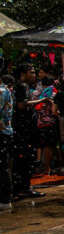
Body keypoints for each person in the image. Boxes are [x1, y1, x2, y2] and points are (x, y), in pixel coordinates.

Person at [11, 64, 43, 199]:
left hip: (22, 129)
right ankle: (24, 187)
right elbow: (22, 104)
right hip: (24, 131)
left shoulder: (21, 86)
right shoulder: (22, 86)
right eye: (32, 73)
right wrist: (42, 100)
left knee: (22, 160)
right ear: (23, 74)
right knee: (26, 159)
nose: (34, 75)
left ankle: (21, 187)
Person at [0, 75, 14, 209]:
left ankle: (4, 199)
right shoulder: (5, 90)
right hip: (5, 133)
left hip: (2, 133)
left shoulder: (1, 91)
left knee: (2, 167)